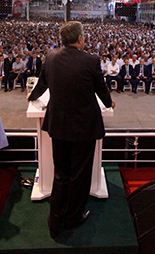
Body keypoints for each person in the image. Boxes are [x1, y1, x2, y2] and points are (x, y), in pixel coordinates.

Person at [28, 21, 114, 238]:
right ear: (80, 39)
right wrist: (109, 102)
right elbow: (101, 89)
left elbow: (42, 83)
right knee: (79, 175)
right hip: (84, 128)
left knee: (61, 174)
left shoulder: (51, 56)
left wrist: (32, 96)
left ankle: (55, 220)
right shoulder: (91, 60)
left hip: (59, 125)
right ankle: (73, 218)